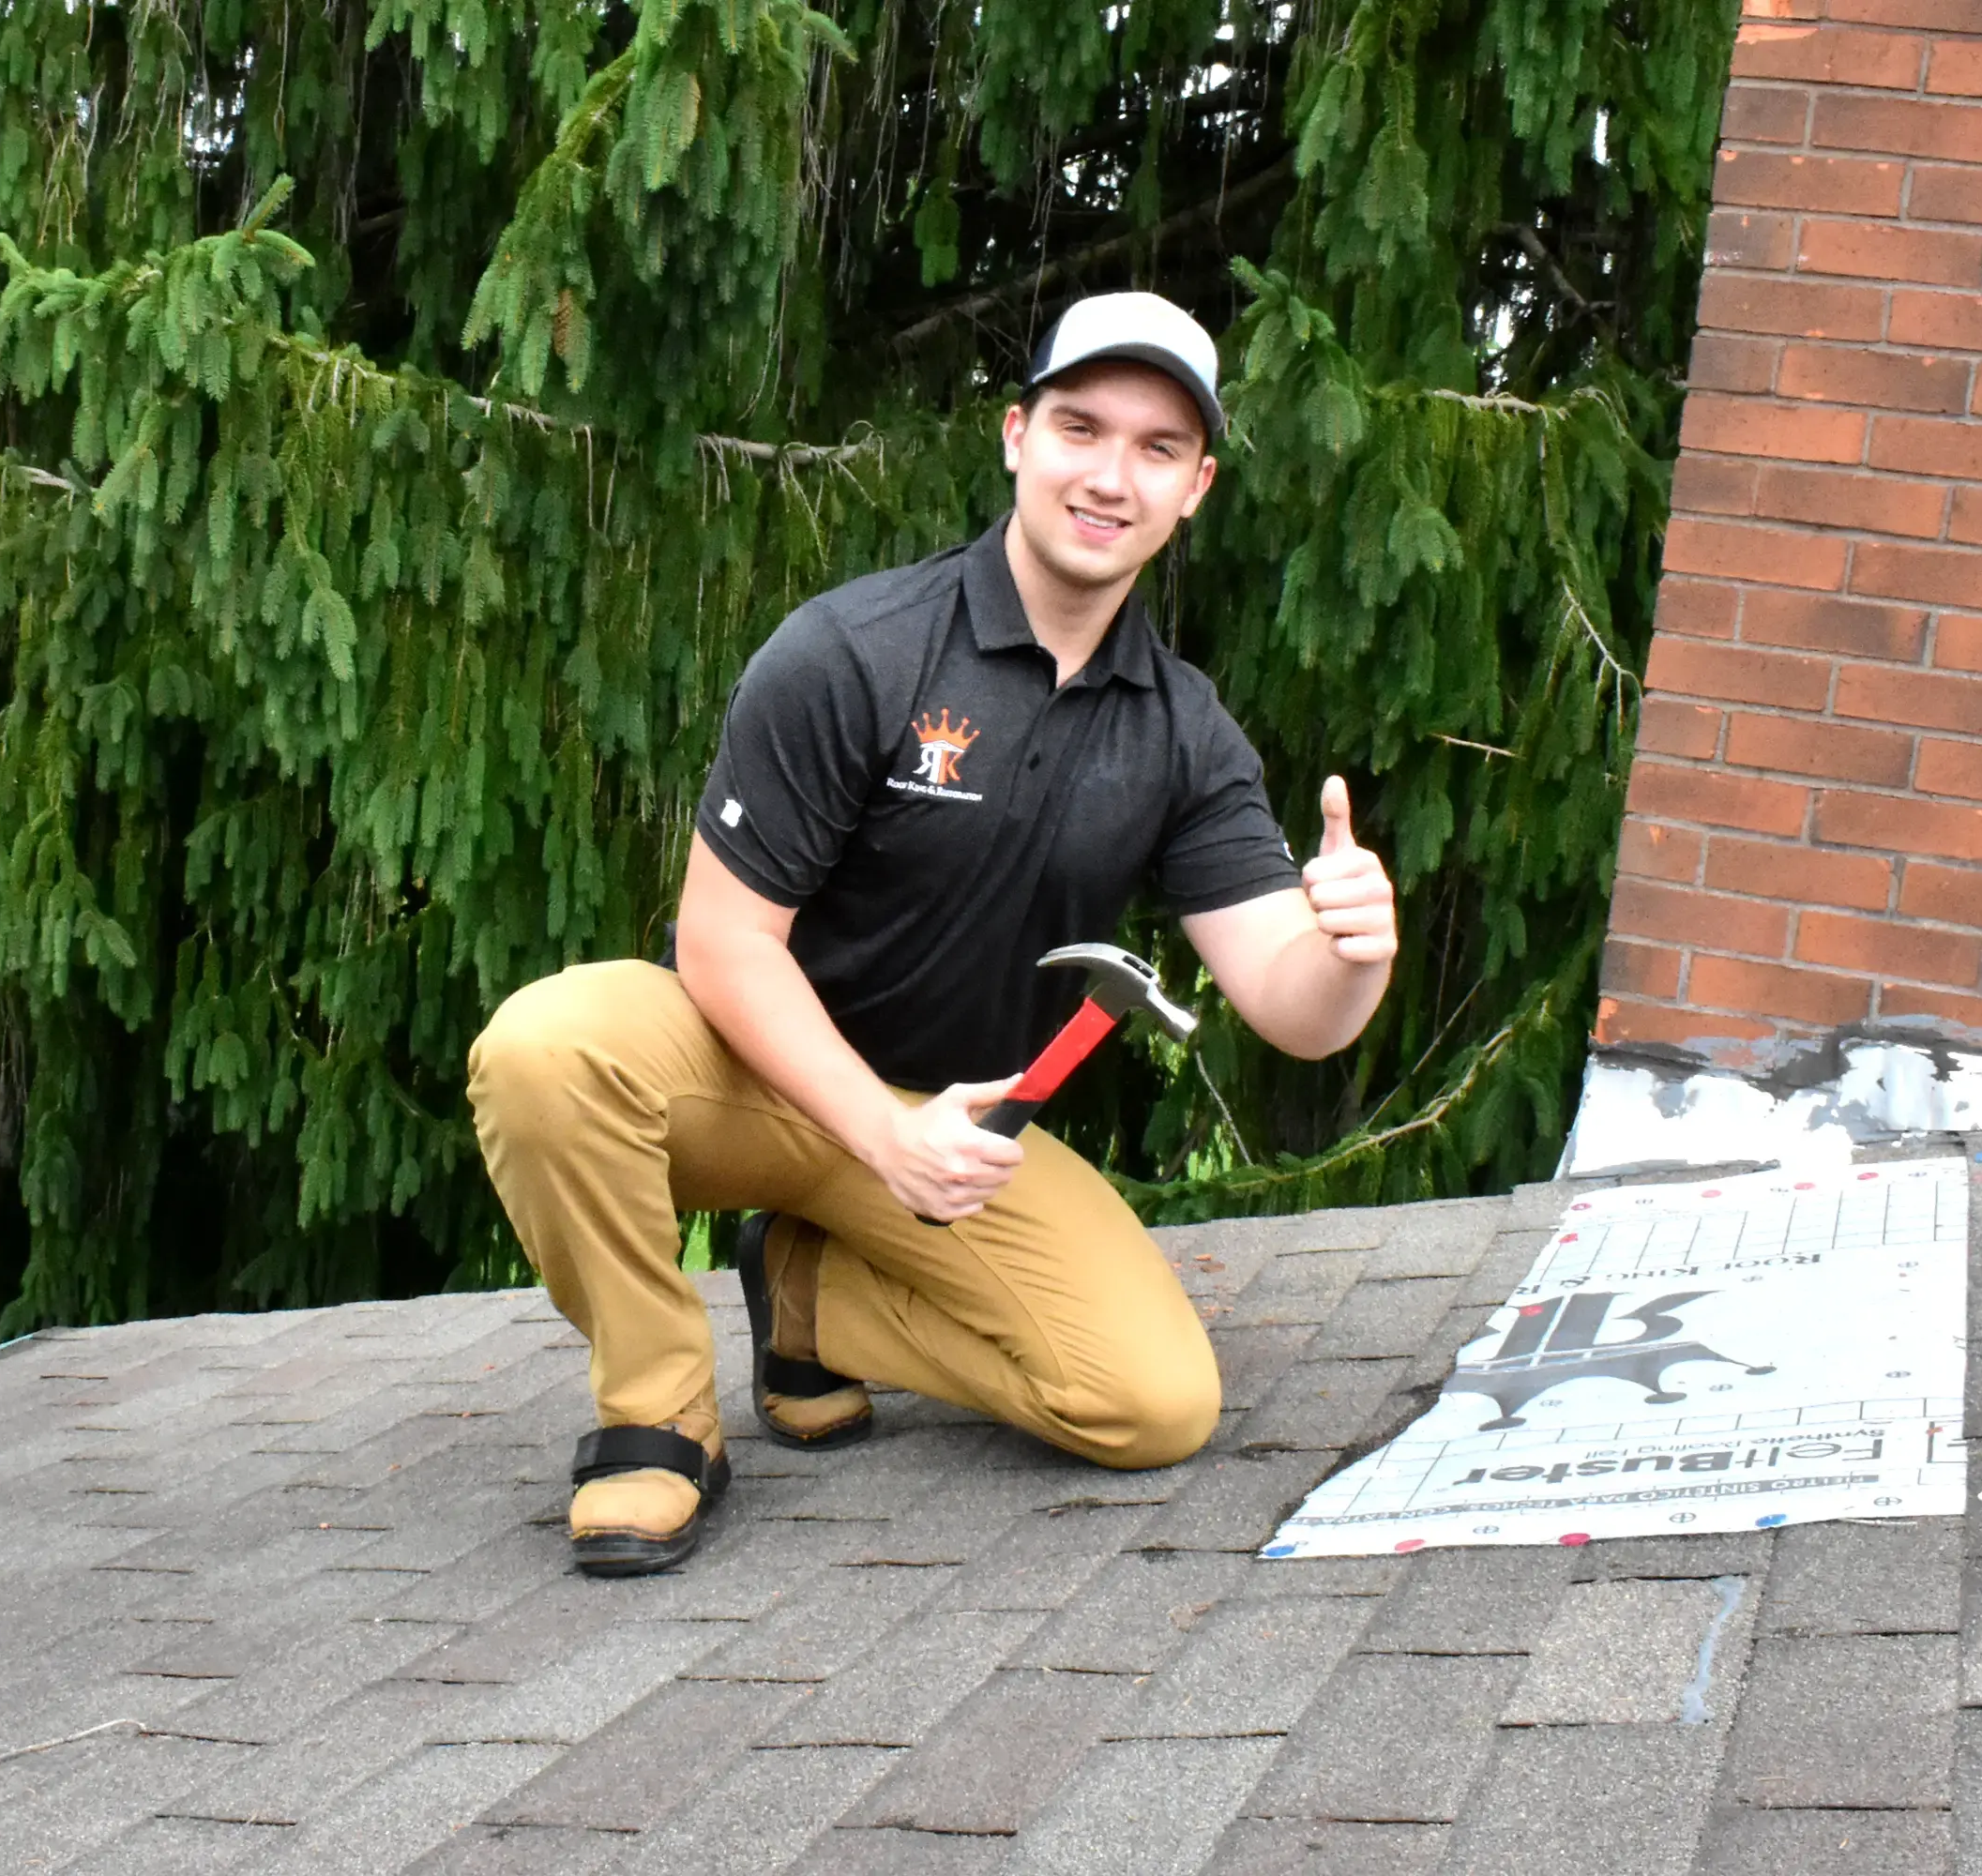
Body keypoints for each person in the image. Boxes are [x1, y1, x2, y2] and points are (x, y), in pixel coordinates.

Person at [465, 292, 1399, 1576]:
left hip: (950, 1129)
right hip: (743, 1073)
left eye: (1156, 448)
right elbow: (727, 941)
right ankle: (656, 1412)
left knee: (1148, 1406)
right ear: (1017, 436)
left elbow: (1292, 1009)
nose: (1109, 476)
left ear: (1196, 489)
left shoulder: (1181, 734)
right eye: (1081, 427)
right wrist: (875, 1133)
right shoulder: (854, 653)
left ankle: (809, 1296)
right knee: (545, 1047)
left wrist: (1355, 957)